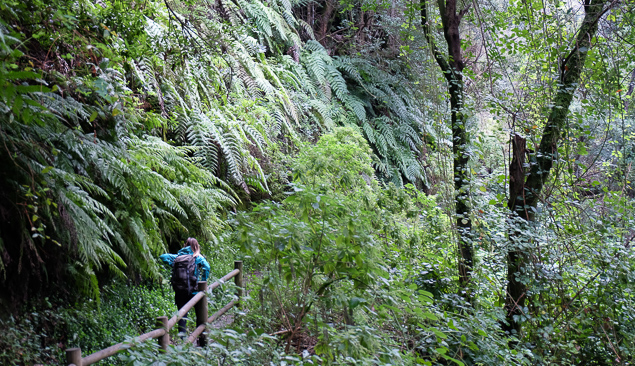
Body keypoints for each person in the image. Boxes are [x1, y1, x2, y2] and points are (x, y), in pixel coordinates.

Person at [159, 237, 210, 335]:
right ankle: (201, 337)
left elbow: (163, 257)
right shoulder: (197, 257)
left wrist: (173, 263)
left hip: (180, 291)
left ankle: (183, 340)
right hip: (194, 291)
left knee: (182, 315)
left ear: (185, 245)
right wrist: (203, 281)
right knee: (200, 314)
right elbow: (207, 267)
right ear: (196, 246)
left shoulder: (178, 257)